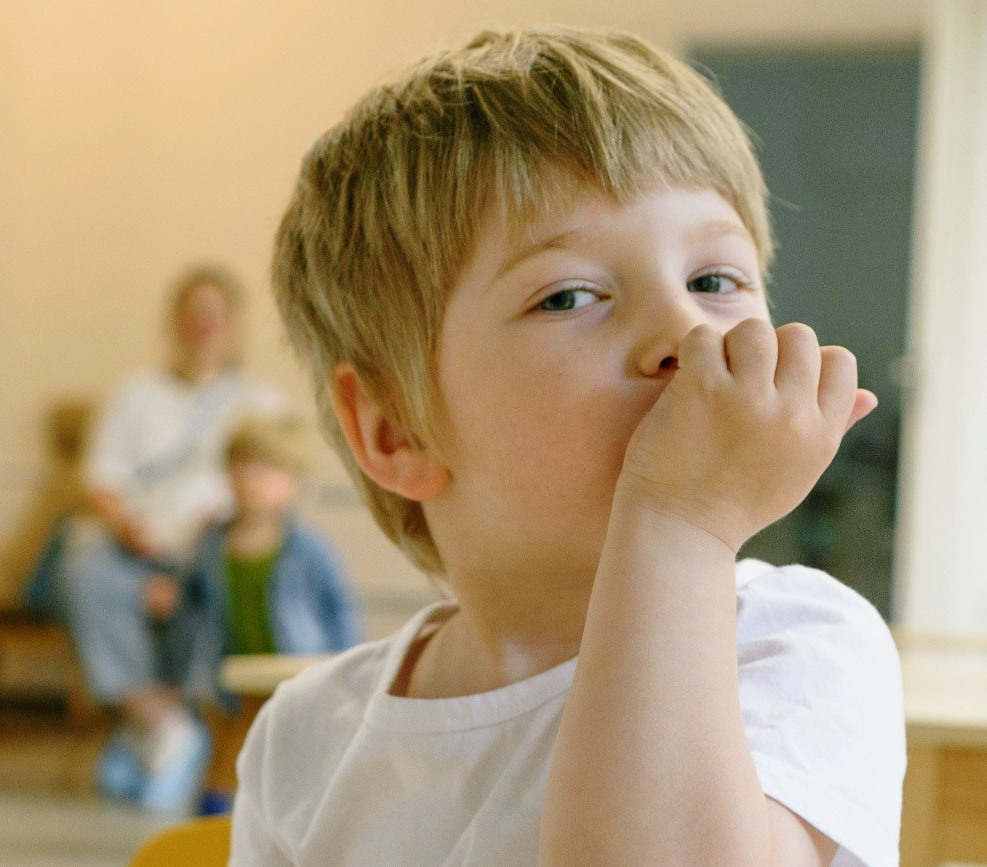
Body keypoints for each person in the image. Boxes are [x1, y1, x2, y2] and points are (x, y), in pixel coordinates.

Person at [236, 26, 905, 866]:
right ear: (394, 426)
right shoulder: (304, 736)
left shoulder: (795, 645)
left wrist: (679, 526)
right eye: (570, 296)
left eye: (714, 280)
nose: (686, 332)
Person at [59, 264, 286, 813]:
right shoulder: (135, 392)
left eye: (216, 313)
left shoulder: (260, 403)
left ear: (233, 324)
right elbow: (101, 480)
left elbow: (273, 486)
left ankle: (159, 737)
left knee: (213, 583)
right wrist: (129, 530)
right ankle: (160, 721)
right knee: (82, 570)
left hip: (213, 545)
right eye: (194, 312)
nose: (204, 325)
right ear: (175, 321)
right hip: (134, 543)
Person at [187, 412, 362, 705]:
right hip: (234, 689)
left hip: (301, 683)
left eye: (267, 472)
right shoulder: (210, 547)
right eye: (244, 470)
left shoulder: (310, 549)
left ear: (292, 480)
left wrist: (348, 683)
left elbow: (342, 616)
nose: (254, 483)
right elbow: (193, 605)